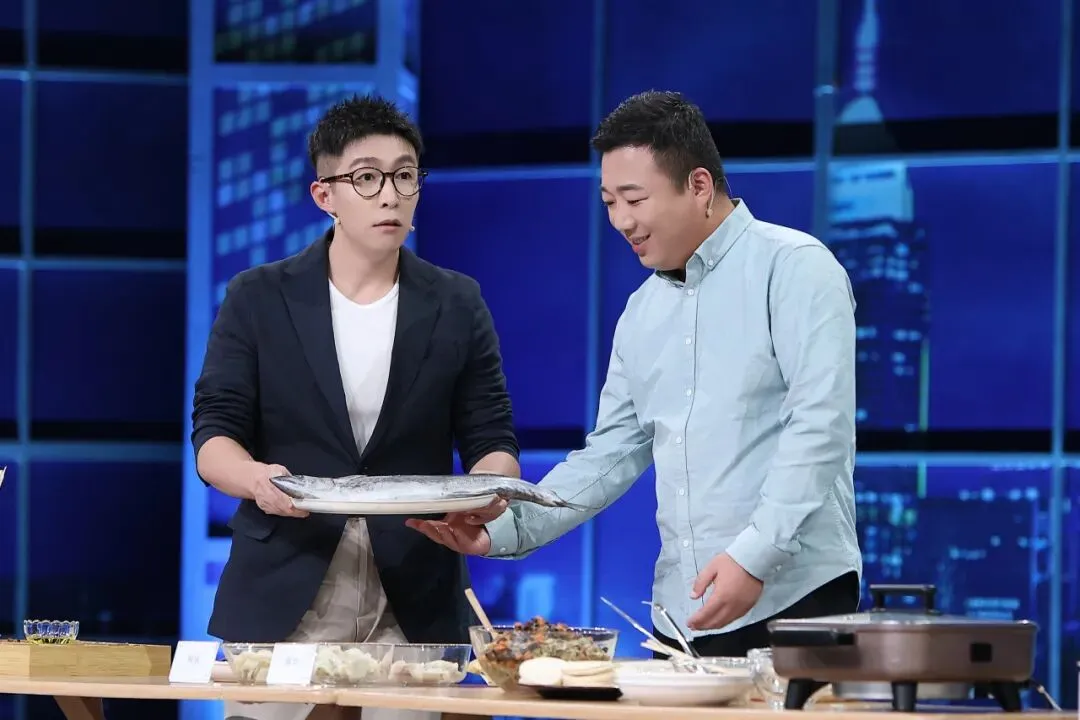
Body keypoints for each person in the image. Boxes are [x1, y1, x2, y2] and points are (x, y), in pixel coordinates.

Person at [409, 90, 863, 658]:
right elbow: (610, 455)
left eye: (634, 199)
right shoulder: (641, 312)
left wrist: (755, 555)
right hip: (681, 617)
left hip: (795, 598)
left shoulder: (795, 268)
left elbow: (820, 428)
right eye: (609, 202)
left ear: (699, 186)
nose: (621, 221)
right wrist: (505, 528)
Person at [192, 94, 519, 720]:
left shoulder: (456, 302)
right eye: (367, 178)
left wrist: (486, 491)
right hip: (289, 574)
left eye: (405, 176)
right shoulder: (258, 297)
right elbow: (214, 436)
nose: (389, 196)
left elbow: (492, 436)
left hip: (415, 582)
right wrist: (257, 481)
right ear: (325, 195)